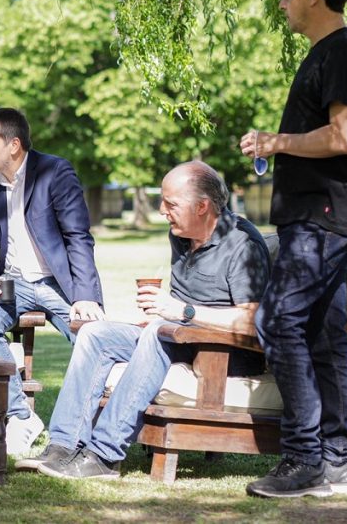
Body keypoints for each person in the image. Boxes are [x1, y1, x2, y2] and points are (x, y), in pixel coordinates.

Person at [26, 162, 270, 479]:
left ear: (202, 207)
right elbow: (179, 308)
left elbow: (253, 321)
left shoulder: (242, 244)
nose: (161, 210)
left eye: (170, 203)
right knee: (95, 334)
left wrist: (182, 313)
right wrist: (162, 314)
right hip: (179, 337)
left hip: (226, 353)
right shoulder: (182, 235)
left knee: (158, 332)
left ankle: (103, 457)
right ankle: (63, 446)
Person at [240, 0, 347, 499]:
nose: (283, 2)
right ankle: (341, 463)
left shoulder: (342, 51)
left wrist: (277, 143)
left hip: (324, 219)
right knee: (323, 337)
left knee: (278, 323)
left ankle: (304, 459)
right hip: (325, 218)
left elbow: (346, 136)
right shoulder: (332, 54)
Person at [0, 107, 105, 455]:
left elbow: (78, 237)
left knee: (93, 336)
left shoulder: (54, 172)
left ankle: (91, 427)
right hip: (12, 283)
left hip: (59, 284)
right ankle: (21, 415)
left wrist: (86, 296)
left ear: (13, 145)